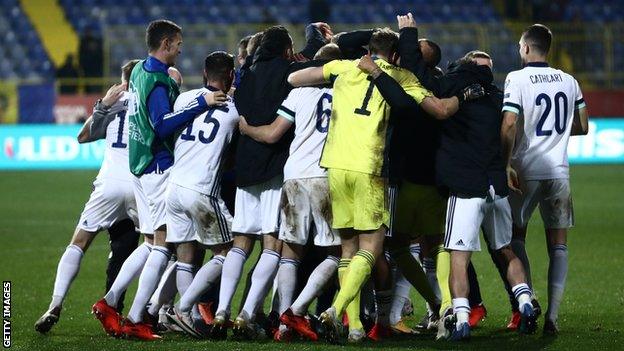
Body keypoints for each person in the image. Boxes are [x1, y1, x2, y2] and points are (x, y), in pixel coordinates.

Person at [287, 27, 477, 343]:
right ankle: (335, 309)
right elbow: (437, 110)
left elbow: (295, 79)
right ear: (395, 54)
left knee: (348, 248)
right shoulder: (401, 77)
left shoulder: (345, 67)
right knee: (373, 247)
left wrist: (336, 75)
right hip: (368, 168)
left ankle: (356, 328)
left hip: (334, 165)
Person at [92, 19, 226, 341]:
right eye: (178, 44)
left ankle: (110, 302)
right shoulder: (156, 78)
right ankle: (138, 317)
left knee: (152, 242)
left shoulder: (138, 71)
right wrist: (200, 103)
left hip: (140, 166)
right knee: (162, 247)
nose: (181, 50)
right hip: (157, 165)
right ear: (166, 44)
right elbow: (162, 125)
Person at [211, 23, 330, 340]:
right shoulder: (290, 73)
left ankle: (223, 310)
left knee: (240, 242)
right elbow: (318, 63)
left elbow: (243, 117)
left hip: (246, 169)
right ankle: (248, 314)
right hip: (276, 167)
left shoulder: (247, 73)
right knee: (273, 246)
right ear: (287, 50)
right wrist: (316, 36)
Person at [238, 43, 343, 342]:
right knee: (337, 253)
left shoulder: (297, 93)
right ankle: (296, 311)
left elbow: (272, 133)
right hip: (326, 176)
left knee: (290, 252)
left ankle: (285, 326)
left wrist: (246, 129)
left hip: (294, 176)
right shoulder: (345, 95)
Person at [34, 60, 140, 334]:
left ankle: (55, 304)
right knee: (153, 247)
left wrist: (103, 105)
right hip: (140, 186)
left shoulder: (111, 102)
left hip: (108, 184)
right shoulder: (149, 101)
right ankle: (123, 308)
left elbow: (82, 136)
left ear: (122, 80)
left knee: (79, 243)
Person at [500, 24, 588, 335]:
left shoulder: (517, 78)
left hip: (526, 170)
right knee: (558, 245)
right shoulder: (570, 80)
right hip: (559, 172)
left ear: (525, 48)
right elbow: (584, 126)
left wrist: (505, 162)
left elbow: (509, 123)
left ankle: (530, 297)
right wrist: (558, 133)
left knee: (514, 237)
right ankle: (552, 317)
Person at [163, 51, 240, 337]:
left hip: (174, 188)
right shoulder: (234, 110)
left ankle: (190, 318)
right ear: (231, 75)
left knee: (186, 257)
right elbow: (231, 155)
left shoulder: (185, 99)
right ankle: (183, 308)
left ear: (204, 74)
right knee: (230, 250)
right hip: (202, 190)